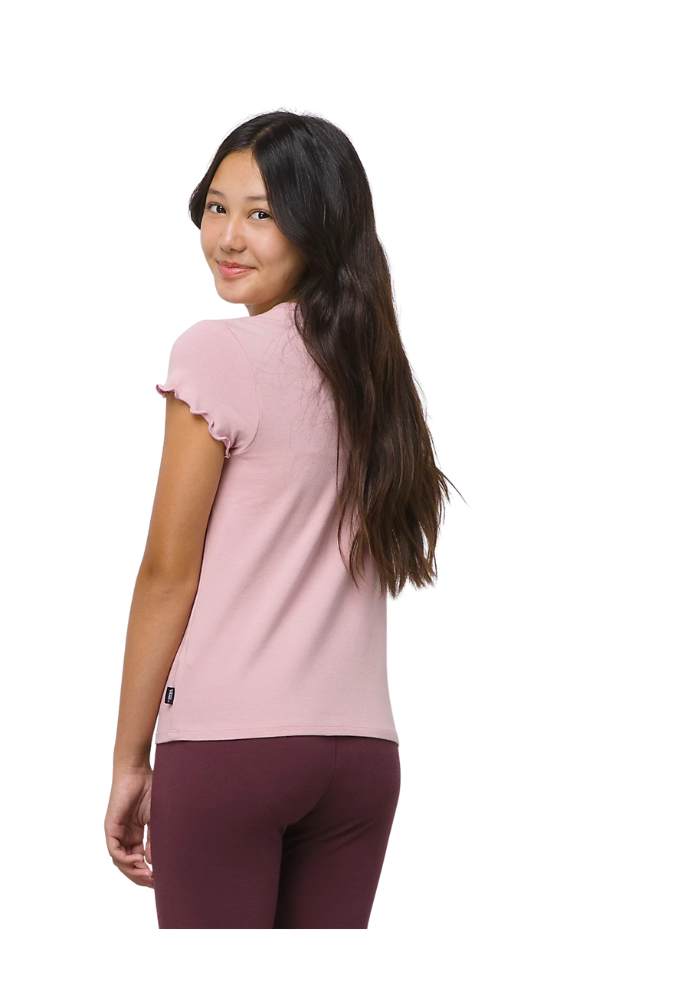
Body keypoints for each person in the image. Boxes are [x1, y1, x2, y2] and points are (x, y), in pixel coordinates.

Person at [105, 110, 457, 929]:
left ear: (317, 227)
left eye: (262, 214)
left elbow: (167, 573)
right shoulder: (375, 376)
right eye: (216, 207)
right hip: (362, 760)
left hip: (229, 751)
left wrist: (129, 759)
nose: (228, 237)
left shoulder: (216, 353)